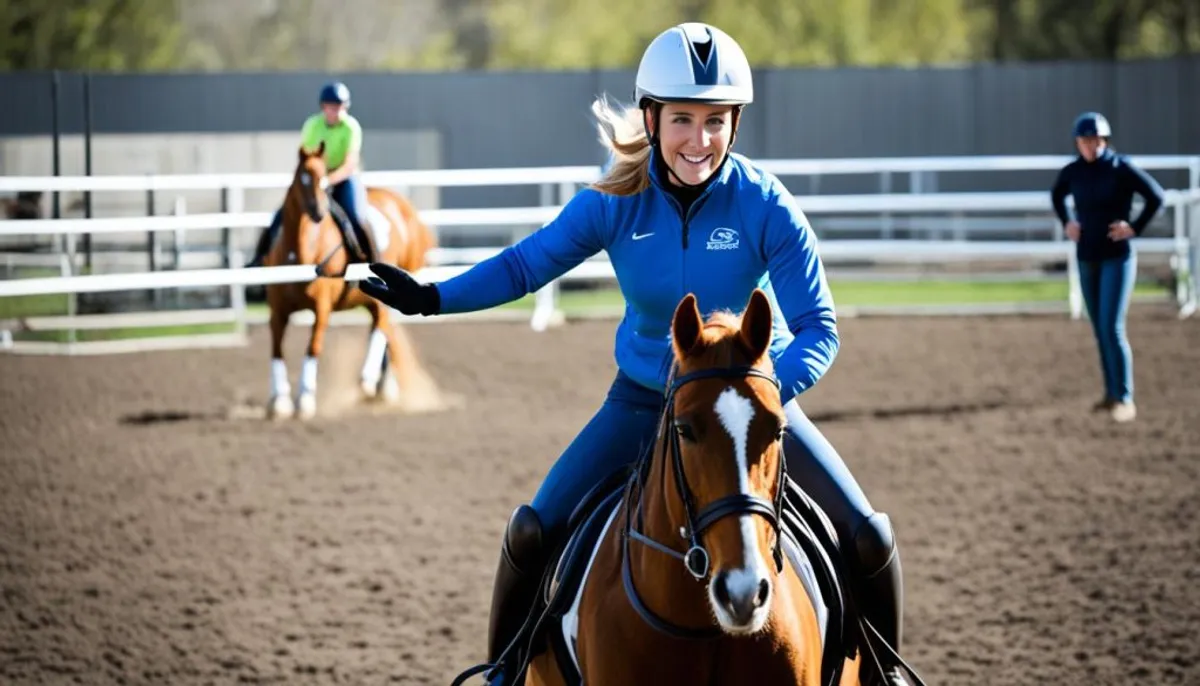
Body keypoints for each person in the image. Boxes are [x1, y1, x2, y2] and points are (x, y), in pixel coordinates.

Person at [361, 22, 910, 686]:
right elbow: (523, 268)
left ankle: (885, 676)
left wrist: (756, 399)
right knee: (533, 531)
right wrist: (430, 297)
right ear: (651, 119)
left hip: (748, 411)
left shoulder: (767, 206)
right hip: (643, 401)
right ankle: (504, 674)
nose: (699, 140)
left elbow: (819, 328)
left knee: (868, 536)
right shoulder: (617, 200)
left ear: (735, 124)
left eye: (715, 120)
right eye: (682, 119)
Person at [1051, 111, 1164, 423]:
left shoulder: (1120, 168)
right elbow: (1057, 195)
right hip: (1087, 256)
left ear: (1103, 140)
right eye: (1084, 141)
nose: (1090, 146)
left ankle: (1125, 397)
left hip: (1117, 256)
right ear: (1078, 143)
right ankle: (1110, 393)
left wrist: (1135, 227)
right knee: (1099, 328)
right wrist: (1067, 222)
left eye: (1095, 140)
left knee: (1112, 327)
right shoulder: (1073, 172)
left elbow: (1156, 196)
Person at [245, 81, 376, 268]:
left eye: (340, 107)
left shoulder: (351, 127)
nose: (336, 111)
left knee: (356, 216)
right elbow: (307, 158)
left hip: (342, 179)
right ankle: (260, 257)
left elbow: (349, 164)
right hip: (315, 179)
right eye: (331, 107)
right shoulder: (313, 125)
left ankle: (370, 262)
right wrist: (317, 180)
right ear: (323, 107)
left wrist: (328, 180)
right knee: (282, 214)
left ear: (345, 107)